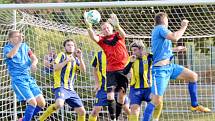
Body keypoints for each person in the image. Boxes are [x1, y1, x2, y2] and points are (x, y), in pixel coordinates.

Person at [142, 12, 211, 121]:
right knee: (156, 100)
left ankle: (194, 105)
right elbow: (175, 37)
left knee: (193, 76)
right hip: (160, 71)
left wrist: (175, 49)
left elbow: (161, 50)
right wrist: (184, 26)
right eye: (168, 20)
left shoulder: (160, 32)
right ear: (165, 20)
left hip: (170, 67)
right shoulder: (160, 28)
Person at [85, 13, 129, 120]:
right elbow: (93, 37)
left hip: (123, 70)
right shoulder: (102, 40)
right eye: (104, 29)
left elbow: (124, 35)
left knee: (121, 98)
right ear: (102, 31)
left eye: (108, 27)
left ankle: (116, 116)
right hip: (111, 71)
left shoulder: (118, 36)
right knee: (110, 96)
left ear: (112, 28)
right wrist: (89, 27)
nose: (106, 30)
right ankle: (113, 118)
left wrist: (118, 26)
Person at [39, 39, 86, 121]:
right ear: (64, 47)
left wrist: (80, 58)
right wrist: (67, 61)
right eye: (68, 45)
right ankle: (41, 119)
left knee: (82, 112)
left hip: (71, 89)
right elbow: (55, 67)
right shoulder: (62, 55)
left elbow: (83, 71)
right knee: (59, 104)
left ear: (74, 47)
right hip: (60, 86)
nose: (70, 46)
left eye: (72, 45)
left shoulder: (76, 59)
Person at [3, 30, 46, 121]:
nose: (19, 38)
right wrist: (18, 44)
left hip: (28, 78)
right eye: (17, 36)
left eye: (20, 36)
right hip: (18, 80)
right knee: (33, 102)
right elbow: (10, 55)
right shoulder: (7, 48)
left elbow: (34, 58)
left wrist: (34, 63)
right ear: (10, 39)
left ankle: (24, 119)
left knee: (42, 103)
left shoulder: (25, 46)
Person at [123, 40, 163, 121]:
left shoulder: (148, 57)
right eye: (132, 50)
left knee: (158, 101)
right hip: (135, 89)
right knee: (134, 109)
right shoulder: (131, 59)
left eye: (135, 50)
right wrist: (131, 63)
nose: (133, 52)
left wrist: (175, 50)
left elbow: (160, 56)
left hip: (148, 88)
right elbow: (124, 72)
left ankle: (155, 119)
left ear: (141, 49)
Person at [89, 51, 130, 121]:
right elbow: (94, 69)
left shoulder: (119, 53)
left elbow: (126, 69)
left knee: (126, 109)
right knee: (95, 111)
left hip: (117, 88)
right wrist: (97, 83)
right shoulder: (98, 54)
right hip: (103, 89)